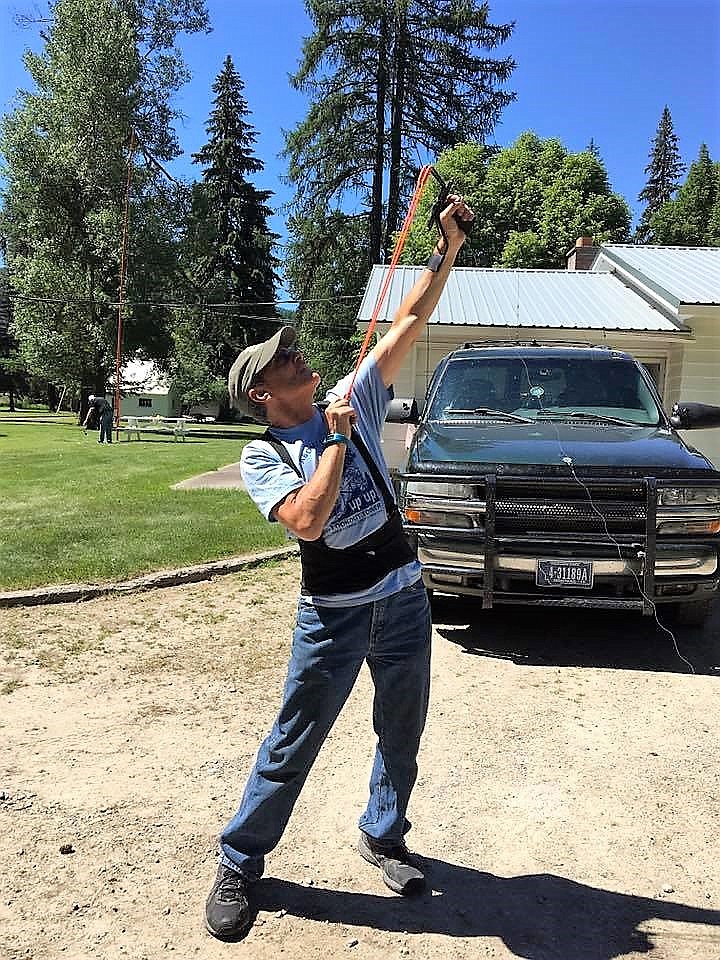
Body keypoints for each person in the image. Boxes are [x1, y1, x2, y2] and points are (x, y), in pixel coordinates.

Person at [205, 195, 474, 941]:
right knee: (295, 740)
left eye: (290, 349)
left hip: (403, 598)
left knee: (400, 730)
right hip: (333, 616)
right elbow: (308, 520)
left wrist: (443, 250)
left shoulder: (351, 392)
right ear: (262, 393)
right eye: (280, 359)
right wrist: (333, 439)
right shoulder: (264, 455)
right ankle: (240, 860)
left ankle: (383, 835)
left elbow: (409, 322)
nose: (296, 353)